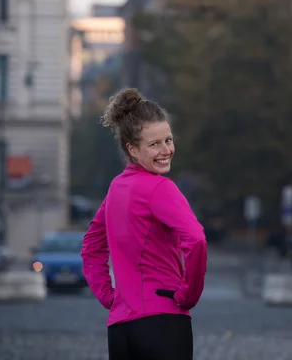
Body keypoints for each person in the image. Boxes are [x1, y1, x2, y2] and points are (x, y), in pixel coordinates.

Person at [81, 88, 208, 360]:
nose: (166, 150)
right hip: (163, 324)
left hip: (120, 329)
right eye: (154, 144)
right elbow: (196, 240)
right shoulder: (161, 187)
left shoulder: (116, 188)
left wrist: (108, 295)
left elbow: (91, 245)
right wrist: (188, 295)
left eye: (168, 140)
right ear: (133, 149)